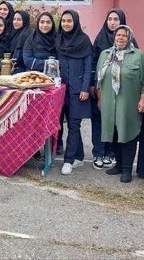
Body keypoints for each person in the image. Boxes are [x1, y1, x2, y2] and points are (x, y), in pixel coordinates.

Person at [95, 25, 144, 183]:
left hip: (129, 103)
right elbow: (98, 80)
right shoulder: (105, 55)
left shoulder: (137, 55)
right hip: (108, 103)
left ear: (129, 38)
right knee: (114, 134)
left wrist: (143, 99)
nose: (120, 38)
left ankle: (127, 169)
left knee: (128, 134)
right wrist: (99, 99)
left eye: (124, 36)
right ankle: (118, 165)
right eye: (118, 35)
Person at [90, 9, 137, 170]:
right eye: (109, 19)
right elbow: (93, 63)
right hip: (103, 91)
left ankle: (111, 154)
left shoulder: (132, 44)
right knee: (101, 121)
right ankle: (99, 152)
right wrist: (93, 87)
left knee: (117, 124)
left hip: (123, 94)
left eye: (116, 19)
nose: (112, 22)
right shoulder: (100, 40)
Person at [56, 10, 92, 175]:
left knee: (74, 125)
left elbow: (88, 67)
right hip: (61, 90)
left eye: (69, 21)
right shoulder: (58, 39)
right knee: (62, 124)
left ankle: (68, 160)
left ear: (75, 22)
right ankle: (79, 156)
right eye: (63, 21)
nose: (66, 24)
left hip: (78, 91)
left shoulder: (84, 41)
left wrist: (85, 88)